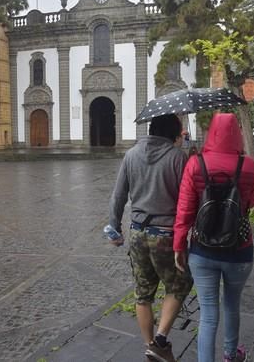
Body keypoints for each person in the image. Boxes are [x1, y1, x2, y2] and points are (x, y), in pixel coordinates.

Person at [173, 113, 254, 362]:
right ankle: (231, 355)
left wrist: (179, 244)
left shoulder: (195, 163)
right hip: (239, 249)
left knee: (208, 314)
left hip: (202, 249)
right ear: (237, 133)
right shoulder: (249, 165)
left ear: (212, 132)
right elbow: (253, 201)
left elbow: (185, 209)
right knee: (232, 304)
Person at [108, 114, 193, 362]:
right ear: (173, 134)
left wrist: (114, 228)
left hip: (137, 232)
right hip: (166, 235)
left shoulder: (131, 154)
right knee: (180, 284)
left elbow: (118, 196)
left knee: (143, 293)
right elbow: (187, 200)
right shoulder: (178, 157)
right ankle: (160, 340)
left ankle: (149, 345)